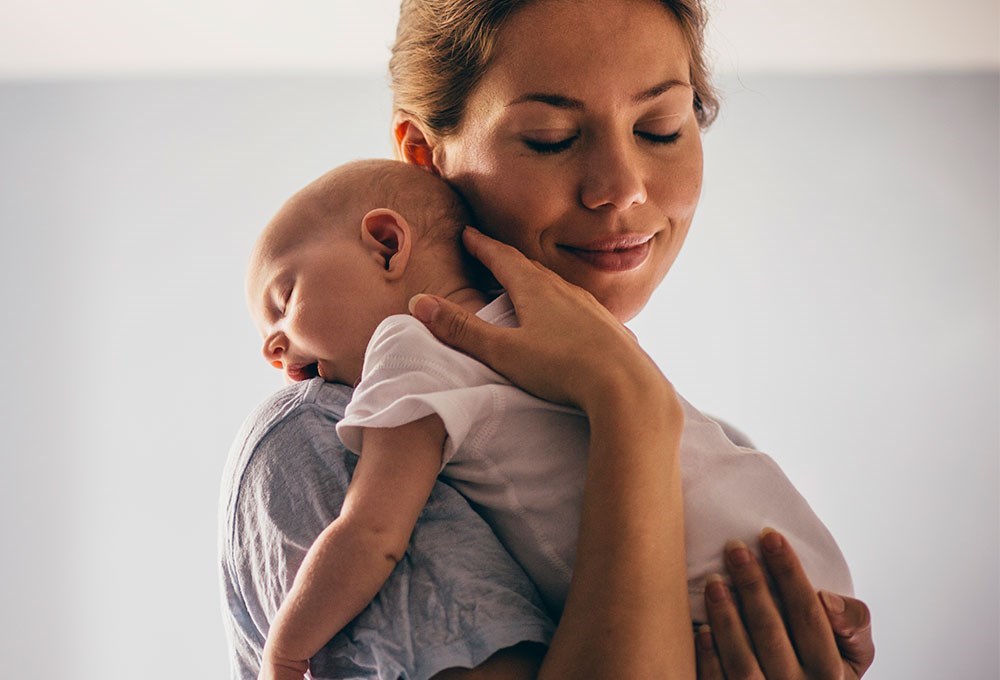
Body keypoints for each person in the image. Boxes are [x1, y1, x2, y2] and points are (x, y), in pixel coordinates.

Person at [219, 0, 876, 677]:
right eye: (551, 138)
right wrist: (628, 406)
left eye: (661, 126)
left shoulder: (707, 445)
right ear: (425, 157)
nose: (621, 189)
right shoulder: (319, 437)